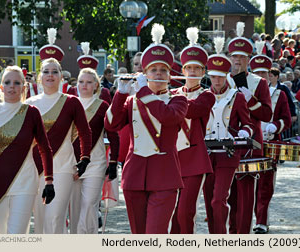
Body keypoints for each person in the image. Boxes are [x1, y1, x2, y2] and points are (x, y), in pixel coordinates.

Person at [104, 24, 188, 234]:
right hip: (135, 175)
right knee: (138, 235)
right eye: (153, 70)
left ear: (170, 75)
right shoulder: (133, 99)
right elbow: (111, 124)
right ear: (145, 72)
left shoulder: (178, 99)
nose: (158, 74)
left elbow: (167, 117)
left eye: (163, 71)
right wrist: (120, 94)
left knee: (155, 233)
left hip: (165, 175)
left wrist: (142, 92)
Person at [0, 65, 54, 233]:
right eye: (7, 82)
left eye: (16, 83)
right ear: (1, 87)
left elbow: (45, 148)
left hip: (25, 182)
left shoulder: (32, 113)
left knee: (17, 234)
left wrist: (49, 180)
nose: (12, 86)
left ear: (24, 87)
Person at [26, 57, 92, 234]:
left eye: (54, 71)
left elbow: (85, 132)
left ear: (61, 76)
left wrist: (85, 159)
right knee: (39, 221)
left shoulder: (71, 102)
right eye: (46, 71)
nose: (50, 75)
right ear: (40, 77)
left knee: (54, 218)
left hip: (63, 168)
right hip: (35, 169)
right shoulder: (29, 104)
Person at [202, 37, 254, 234]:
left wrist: (243, 132)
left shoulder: (236, 96)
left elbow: (248, 124)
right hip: (205, 155)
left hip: (228, 154)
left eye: (221, 77)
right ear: (209, 76)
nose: (217, 81)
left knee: (219, 199)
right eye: (214, 77)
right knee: (209, 202)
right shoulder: (202, 96)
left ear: (227, 76)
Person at [226, 23, 272, 234]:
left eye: (243, 56)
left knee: (245, 197)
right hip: (225, 145)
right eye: (234, 56)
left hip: (250, 146)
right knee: (226, 196)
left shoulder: (259, 82)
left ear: (249, 58)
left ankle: (243, 237)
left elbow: (266, 115)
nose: (237, 60)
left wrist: (250, 100)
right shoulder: (221, 80)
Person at [169, 27, 215, 234]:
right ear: (183, 70)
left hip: (194, 159)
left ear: (203, 72)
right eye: (189, 68)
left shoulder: (207, 95)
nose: (193, 72)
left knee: (185, 212)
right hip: (170, 158)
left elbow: (193, 110)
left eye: (197, 69)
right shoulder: (170, 93)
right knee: (170, 213)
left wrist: (167, 100)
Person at [69, 68, 119, 234]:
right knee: (75, 208)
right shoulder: (69, 104)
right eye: (81, 82)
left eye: (89, 82)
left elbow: (113, 135)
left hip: (95, 162)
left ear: (96, 85)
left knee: (89, 204)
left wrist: (113, 162)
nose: (84, 85)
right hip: (72, 163)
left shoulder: (102, 106)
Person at [249, 51, 292, 234]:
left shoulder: (279, 94)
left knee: (266, 184)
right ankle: (247, 218)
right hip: (250, 145)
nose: (261, 77)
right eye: (257, 73)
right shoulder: (245, 92)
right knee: (248, 183)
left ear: (269, 74)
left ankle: (261, 221)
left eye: (264, 73)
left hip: (270, 144)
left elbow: (287, 119)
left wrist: (276, 126)